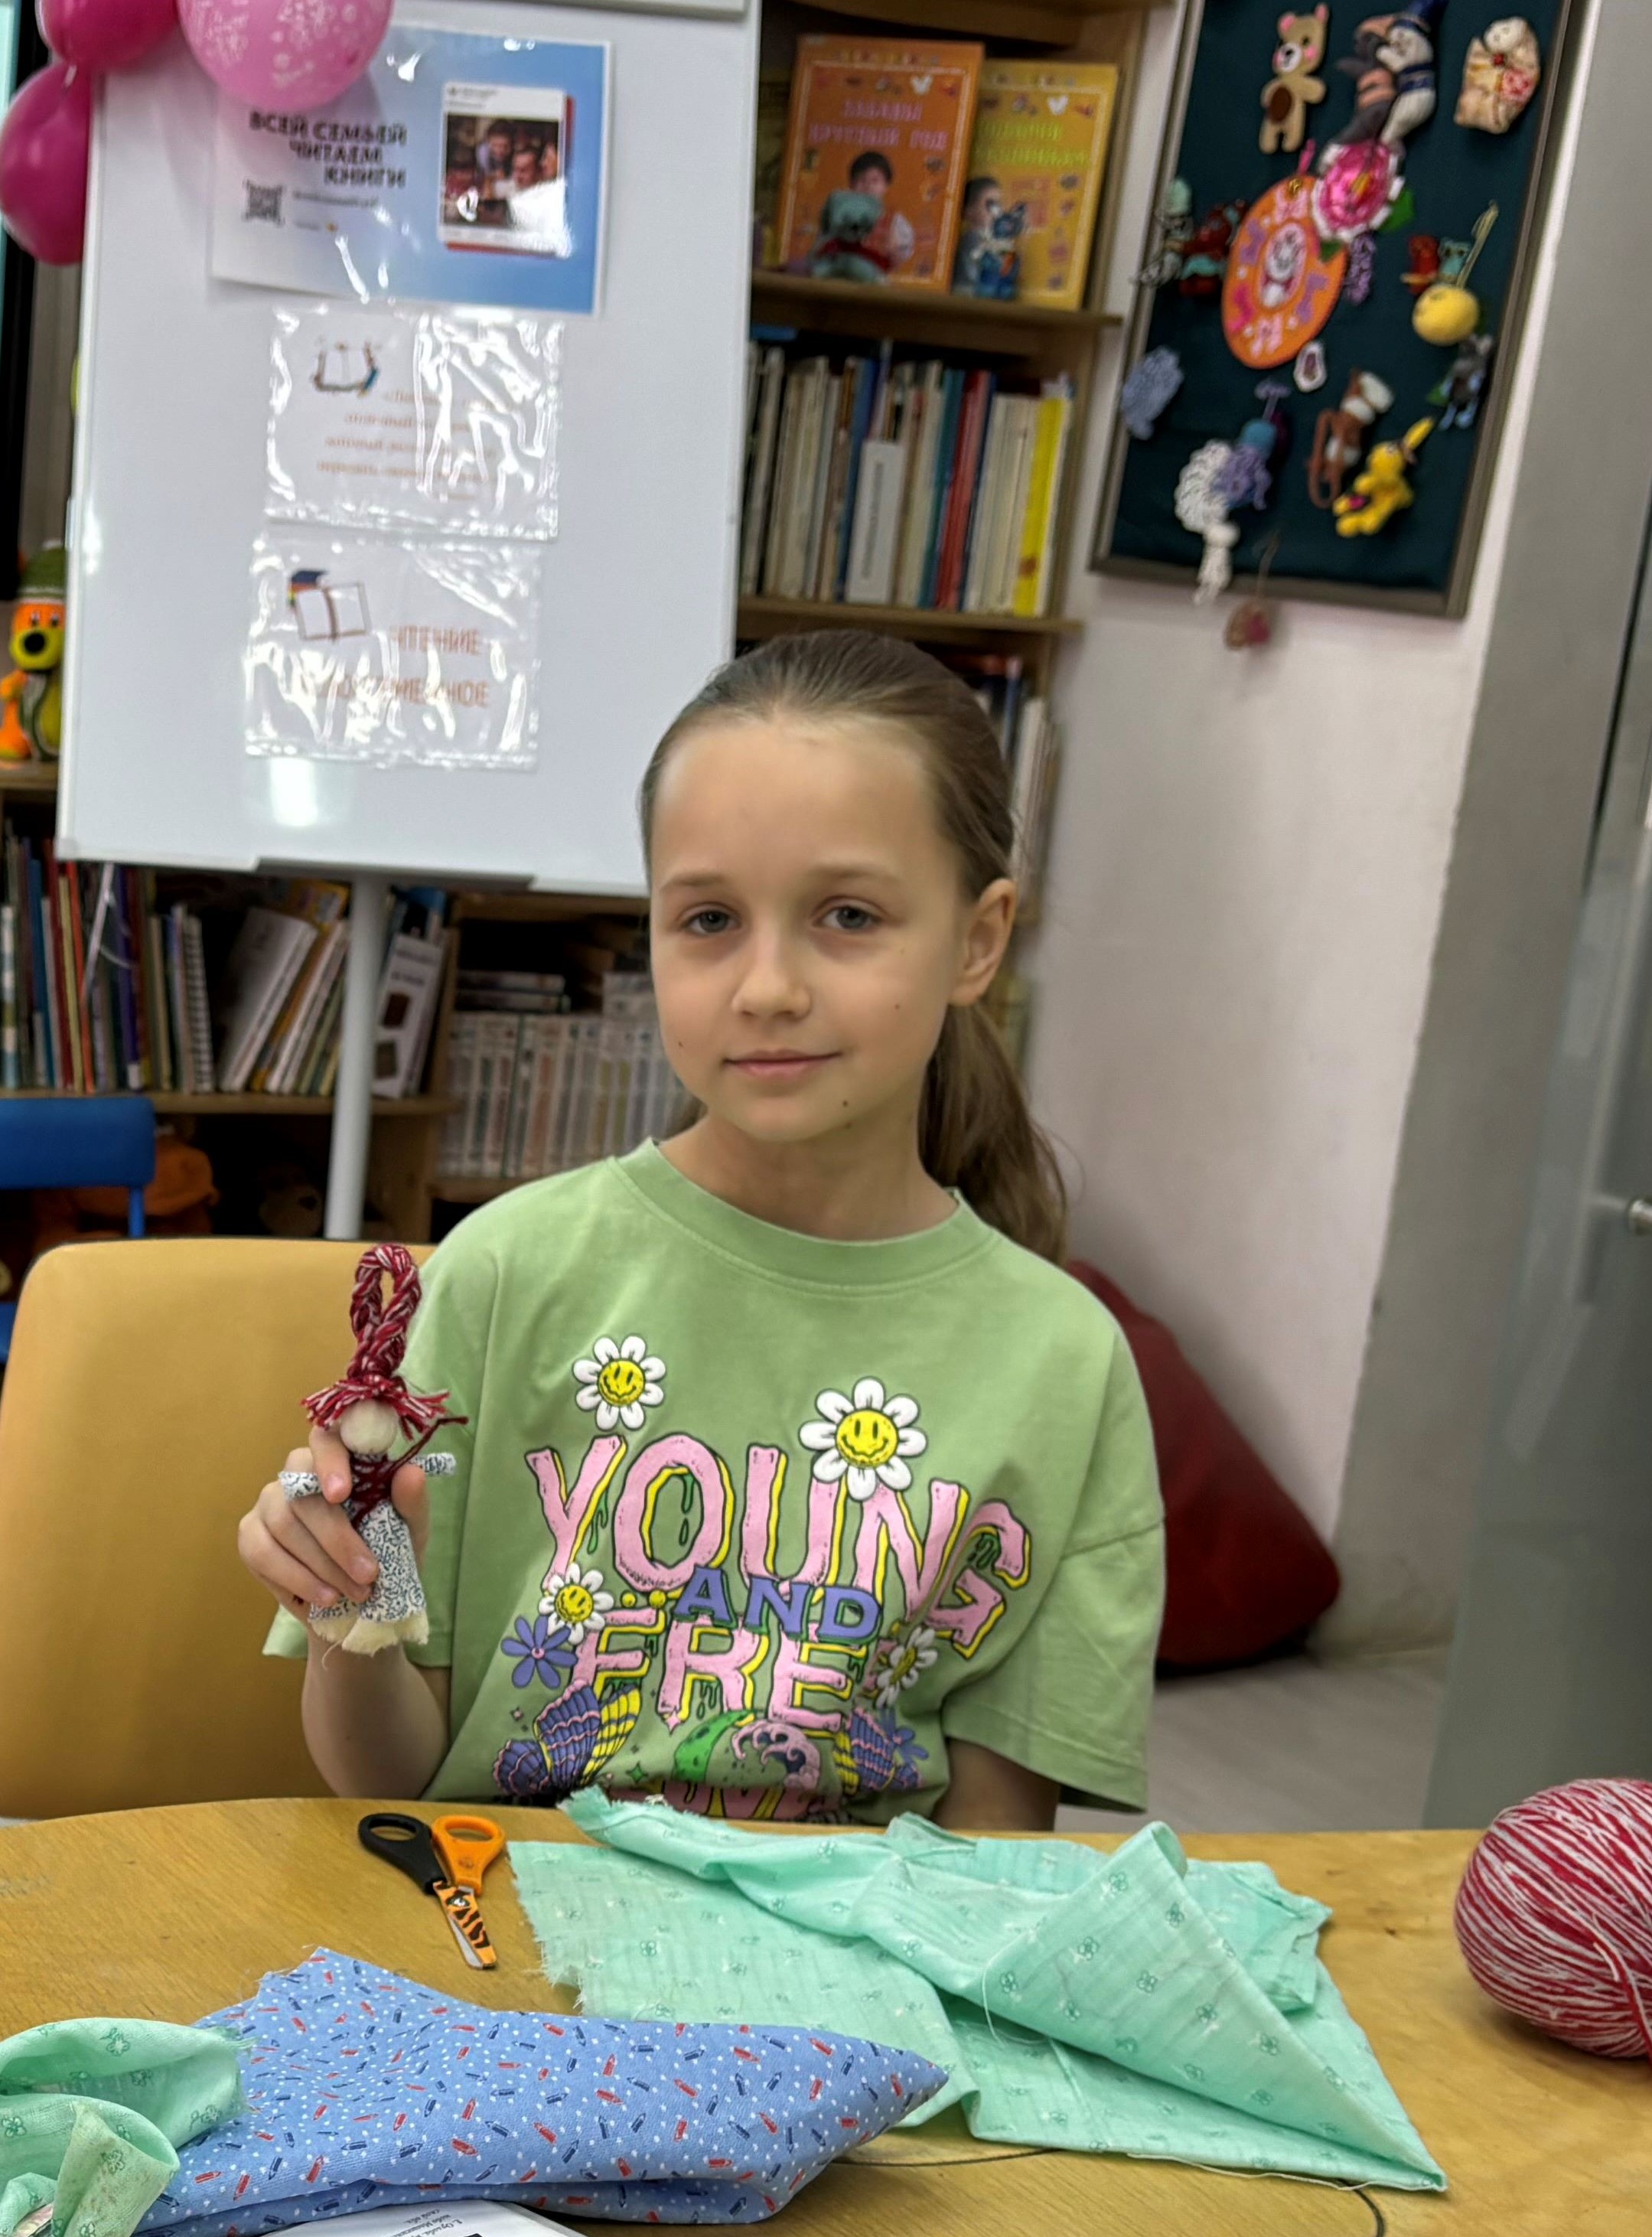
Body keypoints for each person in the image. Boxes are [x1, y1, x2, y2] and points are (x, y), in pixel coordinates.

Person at [237, 629, 1161, 1831]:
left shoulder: (1066, 1365)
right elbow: (385, 1780)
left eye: (848, 915)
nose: (767, 988)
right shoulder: (503, 1276)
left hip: (846, 1946)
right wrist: (352, 1604)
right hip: (504, 1918)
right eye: (710, 919)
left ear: (978, 940)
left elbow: (992, 1865)